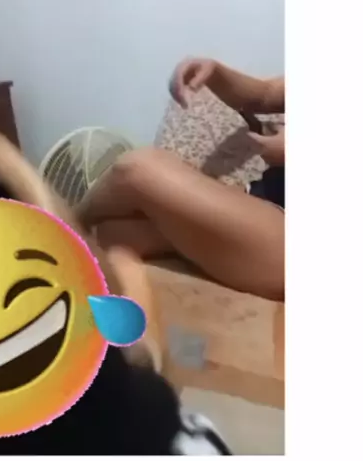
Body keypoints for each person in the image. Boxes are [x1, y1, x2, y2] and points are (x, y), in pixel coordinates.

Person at [0, 125, 232, 456]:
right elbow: (142, 354)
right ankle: (100, 233)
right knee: (130, 196)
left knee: (128, 208)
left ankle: (104, 232)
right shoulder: (174, 435)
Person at [77, 58, 285, 302]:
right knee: (115, 232)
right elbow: (265, 94)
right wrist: (215, 73)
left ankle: (59, 223)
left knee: (137, 170)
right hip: (261, 204)